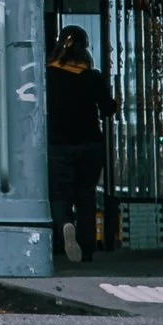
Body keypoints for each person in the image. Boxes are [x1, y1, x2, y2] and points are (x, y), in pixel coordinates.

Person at [45, 27, 112, 266]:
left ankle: (64, 224)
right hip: (90, 144)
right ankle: (86, 248)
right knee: (86, 196)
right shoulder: (92, 77)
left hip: (58, 144)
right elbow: (107, 109)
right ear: (84, 47)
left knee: (59, 194)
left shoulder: (48, 76)